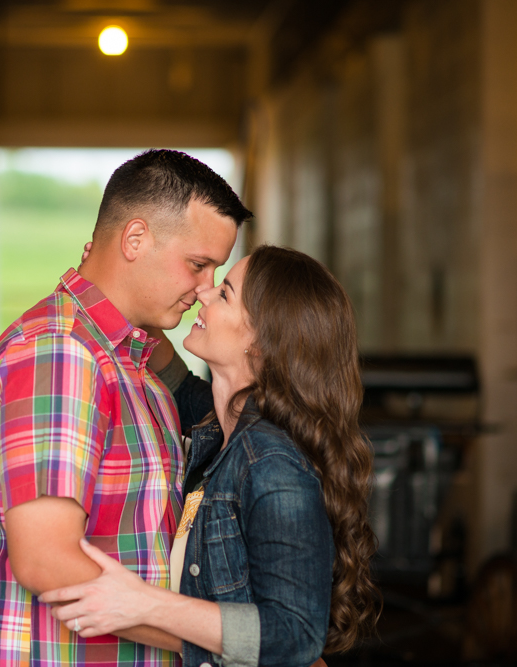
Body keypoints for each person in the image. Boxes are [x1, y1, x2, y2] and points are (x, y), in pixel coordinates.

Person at [0, 149, 253, 666]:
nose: (206, 290)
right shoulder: (60, 352)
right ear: (135, 239)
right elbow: (47, 562)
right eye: (199, 265)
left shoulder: (132, 364)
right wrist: (227, 643)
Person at [41, 245, 380, 667]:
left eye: (224, 294)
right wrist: (115, 280)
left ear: (261, 343)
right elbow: (175, 379)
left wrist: (144, 605)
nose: (204, 294)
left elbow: (295, 636)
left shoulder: (270, 464)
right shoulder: (223, 427)